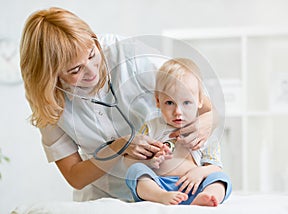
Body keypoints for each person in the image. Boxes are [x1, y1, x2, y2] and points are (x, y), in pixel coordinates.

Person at [19, 7, 216, 202]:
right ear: (51, 76)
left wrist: (205, 123)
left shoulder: (126, 53)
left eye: (91, 55)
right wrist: (118, 147)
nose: (92, 71)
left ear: (93, 40)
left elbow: (200, 101)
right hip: (103, 196)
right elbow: (75, 177)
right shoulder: (48, 101)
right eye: (76, 69)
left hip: (164, 187)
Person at [125, 58, 232, 206]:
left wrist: (199, 173)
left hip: (194, 185)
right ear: (157, 101)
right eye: (169, 103)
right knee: (134, 171)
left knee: (221, 179)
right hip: (158, 184)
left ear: (200, 101)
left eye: (187, 103)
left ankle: (207, 196)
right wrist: (150, 162)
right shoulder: (151, 127)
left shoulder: (204, 132)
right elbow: (130, 160)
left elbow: (215, 166)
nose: (178, 112)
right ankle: (160, 196)